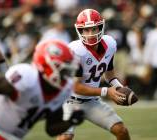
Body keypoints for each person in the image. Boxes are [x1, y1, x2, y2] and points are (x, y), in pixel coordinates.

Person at [0, 39, 84, 139]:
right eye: (63, 71)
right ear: (46, 66)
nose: (66, 77)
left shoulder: (62, 91)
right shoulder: (27, 78)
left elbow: (51, 129)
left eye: (68, 71)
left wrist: (70, 121)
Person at [57, 9, 132, 140]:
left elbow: (109, 75)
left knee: (121, 131)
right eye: (86, 30)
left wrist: (120, 88)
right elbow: (76, 87)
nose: (90, 34)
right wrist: (107, 91)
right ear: (80, 31)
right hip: (68, 100)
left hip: (91, 101)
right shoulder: (76, 51)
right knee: (65, 138)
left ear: (100, 28)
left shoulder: (110, 44)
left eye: (93, 29)